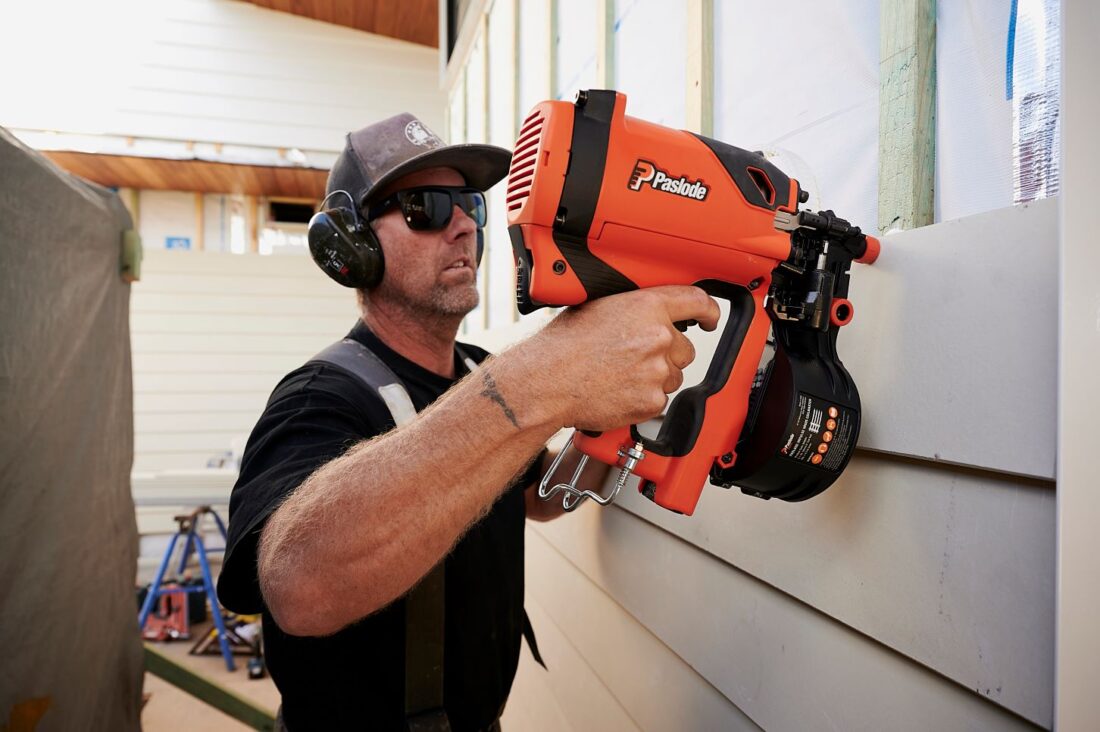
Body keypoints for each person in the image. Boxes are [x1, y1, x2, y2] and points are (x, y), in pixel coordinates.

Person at [217, 113, 719, 731]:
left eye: (470, 206)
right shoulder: (320, 396)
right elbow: (298, 587)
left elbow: (538, 496)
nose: (462, 226)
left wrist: (610, 416)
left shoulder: (474, 368)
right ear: (351, 246)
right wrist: (544, 377)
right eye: (426, 208)